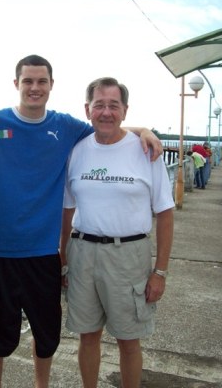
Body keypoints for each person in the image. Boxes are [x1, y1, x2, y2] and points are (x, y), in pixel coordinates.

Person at [0, 55, 163, 388]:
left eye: (42, 81)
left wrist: (144, 130)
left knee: (46, 338)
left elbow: (108, 126)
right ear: (17, 84)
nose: (35, 88)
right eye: (28, 81)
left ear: (51, 86)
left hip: (43, 254)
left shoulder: (66, 126)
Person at [60, 77, 174, 388]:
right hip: (82, 253)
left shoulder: (145, 151)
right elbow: (67, 212)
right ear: (88, 109)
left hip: (129, 256)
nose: (106, 112)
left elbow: (164, 213)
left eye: (114, 105)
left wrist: (160, 272)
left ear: (125, 110)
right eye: (99, 105)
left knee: (129, 339)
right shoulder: (77, 151)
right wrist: (63, 260)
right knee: (87, 335)